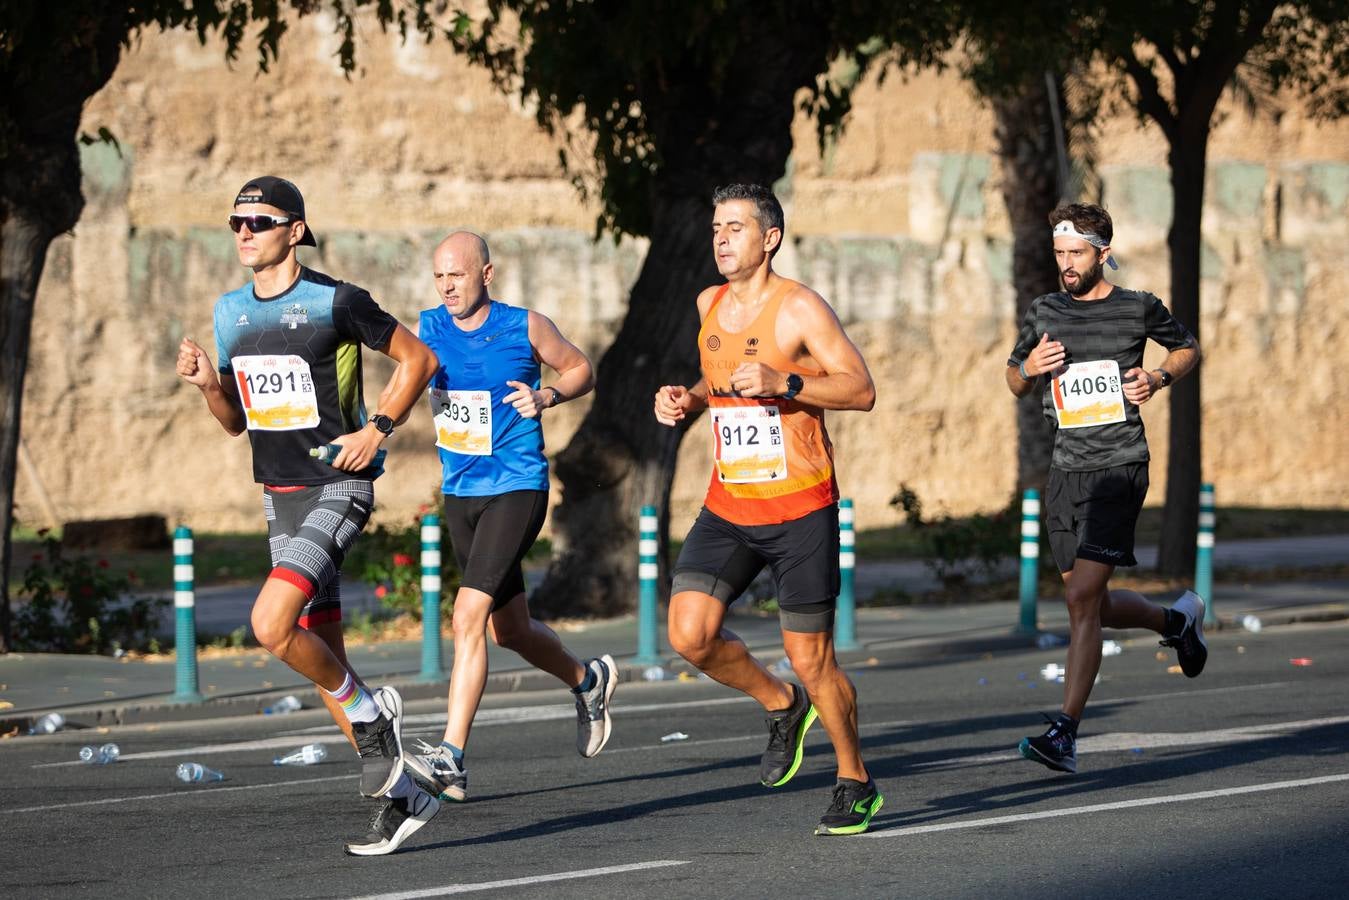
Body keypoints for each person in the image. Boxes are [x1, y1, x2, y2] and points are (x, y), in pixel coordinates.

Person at [176, 176, 441, 855]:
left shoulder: (335, 301)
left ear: (294, 230)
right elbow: (237, 423)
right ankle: (404, 795)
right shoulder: (230, 312)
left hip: (336, 486)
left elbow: (419, 358)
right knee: (326, 661)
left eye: (259, 221)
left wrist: (376, 430)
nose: (243, 231)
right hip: (279, 494)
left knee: (270, 624)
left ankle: (375, 715)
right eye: (235, 220)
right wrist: (210, 383)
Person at [654, 184, 882, 836]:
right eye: (716, 227)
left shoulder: (800, 309)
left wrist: (787, 383)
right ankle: (782, 705)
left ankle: (853, 780)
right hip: (729, 503)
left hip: (800, 508)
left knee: (813, 657)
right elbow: (720, 376)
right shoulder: (709, 303)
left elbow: (860, 389)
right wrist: (690, 400)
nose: (721, 238)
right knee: (688, 634)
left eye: (735, 228)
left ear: (769, 238)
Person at [403, 231, 616, 803]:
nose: (448, 286)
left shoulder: (526, 325)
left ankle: (451, 757)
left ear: (486, 274)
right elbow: (401, 375)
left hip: (517, 485)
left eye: (458, 275)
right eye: (439, 276)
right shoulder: (426, 329)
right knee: (510, 629)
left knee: (467, 615)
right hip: (461, 492)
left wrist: (547, 398)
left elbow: (580, 370)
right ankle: (587, 681)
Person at [1006, 202, 1206, 774]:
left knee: (1078, 601)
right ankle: (1176, 622)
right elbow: (1013, 381)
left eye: (1076, 254)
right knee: (1088, 604)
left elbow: (1188, 347)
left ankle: (1065, 732)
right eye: (1059, 254)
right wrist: (1030, 367)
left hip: (1120, 467)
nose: (1066, 265)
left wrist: (1159, 376)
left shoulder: (1138, 308)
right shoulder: (1044, 310)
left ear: (1102, 252)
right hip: (1066, 472)